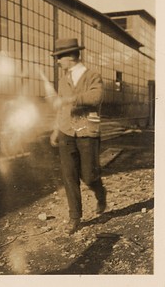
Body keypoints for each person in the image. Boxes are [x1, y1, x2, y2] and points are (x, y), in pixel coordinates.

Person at [50, 38, 106, 235]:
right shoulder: (63, 80)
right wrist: (57, 129)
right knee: (69, 175)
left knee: (89, 175)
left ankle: (100, 192)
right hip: (66, 132)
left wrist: (72, 98)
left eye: (59, 57)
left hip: (87, 132)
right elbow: (61, 108)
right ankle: (75, 217)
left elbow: (96, 97)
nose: (58, 61)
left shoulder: (93, 75)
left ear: (70, 57)